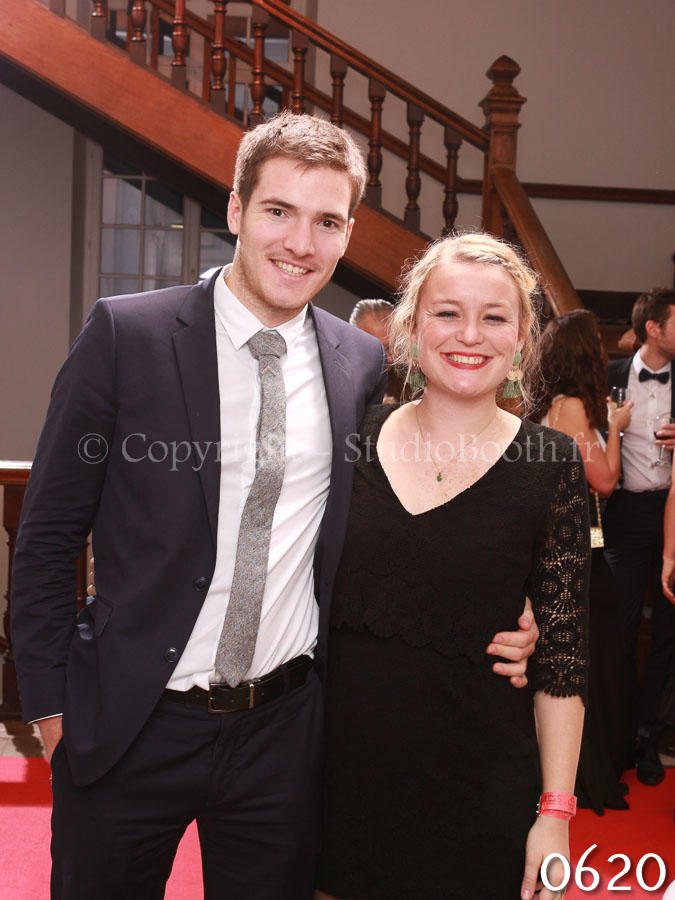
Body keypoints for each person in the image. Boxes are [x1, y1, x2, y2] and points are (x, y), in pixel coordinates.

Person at [10, 113, 537, 900]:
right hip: (128, 722)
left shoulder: (357, 361)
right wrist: (52, 710)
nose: (299, 242)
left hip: (282, 736)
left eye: (326, 221)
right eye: (278, 211)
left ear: (347, 232)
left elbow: (388, 523)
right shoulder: (127, 335)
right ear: (236, 209)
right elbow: (48, 538)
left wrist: (500, 605)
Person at [316, 233, 590, 900]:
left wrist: (555, 815)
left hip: (480, 794)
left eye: (494, 317)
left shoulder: (552, 464)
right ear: (411, 329)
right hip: (333, 785)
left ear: (521, 340)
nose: (469, 335)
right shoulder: (346, 440)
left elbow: (562, 659)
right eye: (447, 312)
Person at [532, 309, 633, 813]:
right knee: (592, 659)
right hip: (578, 551)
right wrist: (616, 427)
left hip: (573, 546)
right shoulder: (571, 407)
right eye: (595, 343)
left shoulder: (555, 404)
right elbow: (606, 480)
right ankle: (585, 772)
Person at [604, 287, 675, 786]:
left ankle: (651, 737)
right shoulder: (610, 376)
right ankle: (619, 736)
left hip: (673, 513)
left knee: (668, 635)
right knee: (622, 629)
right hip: (624, 514)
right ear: (653, 328)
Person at [350, 298, 407, 402]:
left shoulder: (407, 376)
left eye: (392, 347)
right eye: (379, 349)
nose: (389, 358)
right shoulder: (339, 380)